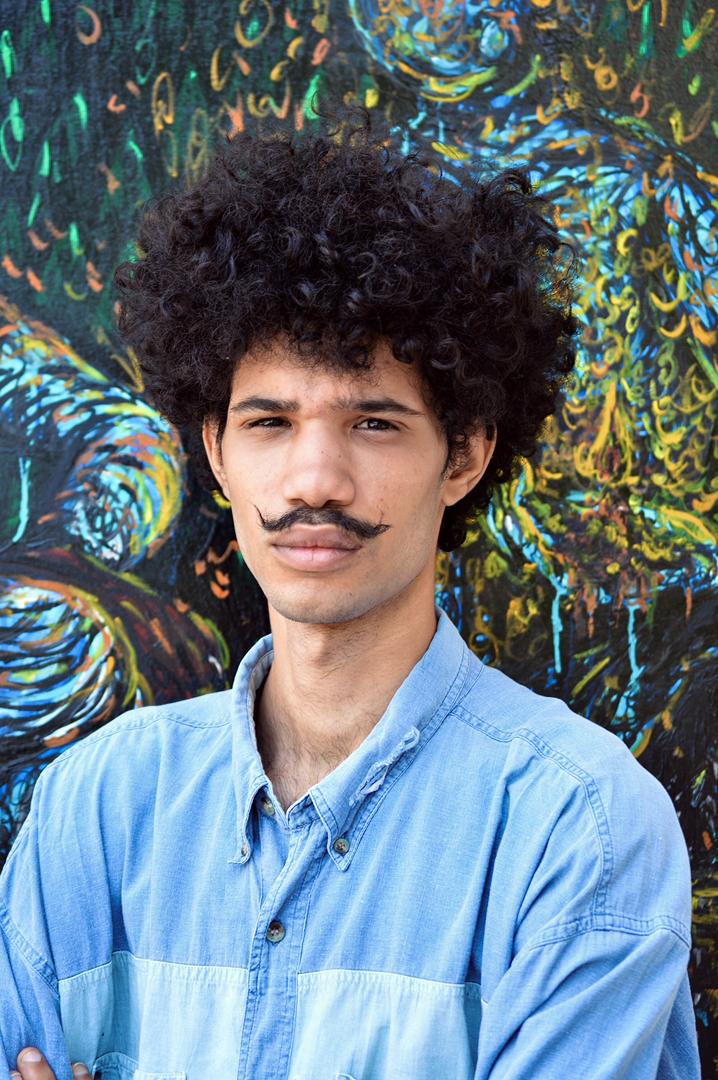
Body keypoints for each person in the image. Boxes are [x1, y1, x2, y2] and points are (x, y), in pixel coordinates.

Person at [1, 108, 700, 1080]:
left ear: (464, 454)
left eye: (373, 422)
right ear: (216, 451)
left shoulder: (578, 827)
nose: (315, 481)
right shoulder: (97, 804)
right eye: (269, 422)